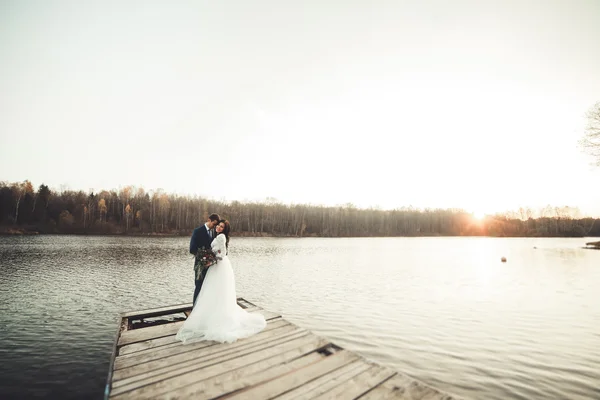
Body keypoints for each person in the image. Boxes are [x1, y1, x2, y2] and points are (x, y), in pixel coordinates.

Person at [176, 219, 267, 343]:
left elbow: (223, 253)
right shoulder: (217, 235)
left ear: (224, 229)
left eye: (221, 226)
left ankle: (218, 317)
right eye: (218, 225)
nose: (218, 227)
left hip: (219, 266)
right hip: (215, 265)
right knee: (213, 290)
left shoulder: (221, 237)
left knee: (216, 289)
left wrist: (212, 260)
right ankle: (210, 314)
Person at [189, 213, 220, 305]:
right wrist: (204, 258)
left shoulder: (215, 232)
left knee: (209, 288)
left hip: (211, 267)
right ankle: (195, 308)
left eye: (216, 225)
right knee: (198, 287)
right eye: (213, 224)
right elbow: (192, 249)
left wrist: (212, 259)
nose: (214, 226)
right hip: (200, 266)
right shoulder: (197, 231)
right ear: (209, 220)